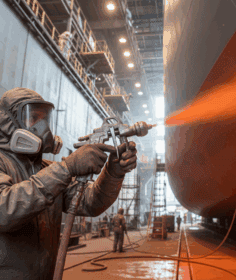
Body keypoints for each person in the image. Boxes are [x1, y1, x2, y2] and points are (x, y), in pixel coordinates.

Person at [0, 88, 138, 280]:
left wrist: (113, 171)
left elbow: (91, 203)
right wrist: (66, 168)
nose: (42, 127)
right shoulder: (5, 164)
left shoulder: (47, 169)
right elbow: (4, 210)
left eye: (44, 119)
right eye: (33, 118)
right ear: (8, 123)